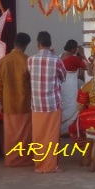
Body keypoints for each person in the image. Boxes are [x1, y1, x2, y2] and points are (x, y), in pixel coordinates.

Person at [27, 31, 66, 173]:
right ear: (50, 44)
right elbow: (63, 77)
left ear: (38, 44)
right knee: (52, 135)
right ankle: (50, 166)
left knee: (38, 135)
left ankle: (39, 165)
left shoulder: (30, 60)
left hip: (36, 104)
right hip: (53, 103)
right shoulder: (56, 60)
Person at [0, 32, 33, 166]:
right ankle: (25, 159)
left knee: (11, 133)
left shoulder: (3, 61)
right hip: (24, 101)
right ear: (25, 45)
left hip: (8, 102)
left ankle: (11, 160)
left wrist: (1, 100)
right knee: (25, 133)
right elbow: (31, 83)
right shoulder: (27, 60)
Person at [60, 39, 87, 135]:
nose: (76, 50)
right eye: (76, 48)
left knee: (64, 105)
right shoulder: (74, 59)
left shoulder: (60, 56)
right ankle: (69, 130)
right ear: (73, 49)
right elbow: (88, 68)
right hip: (70, 87)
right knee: (72, 106)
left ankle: (61, 130)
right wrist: (83, 55)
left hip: (61, 87)